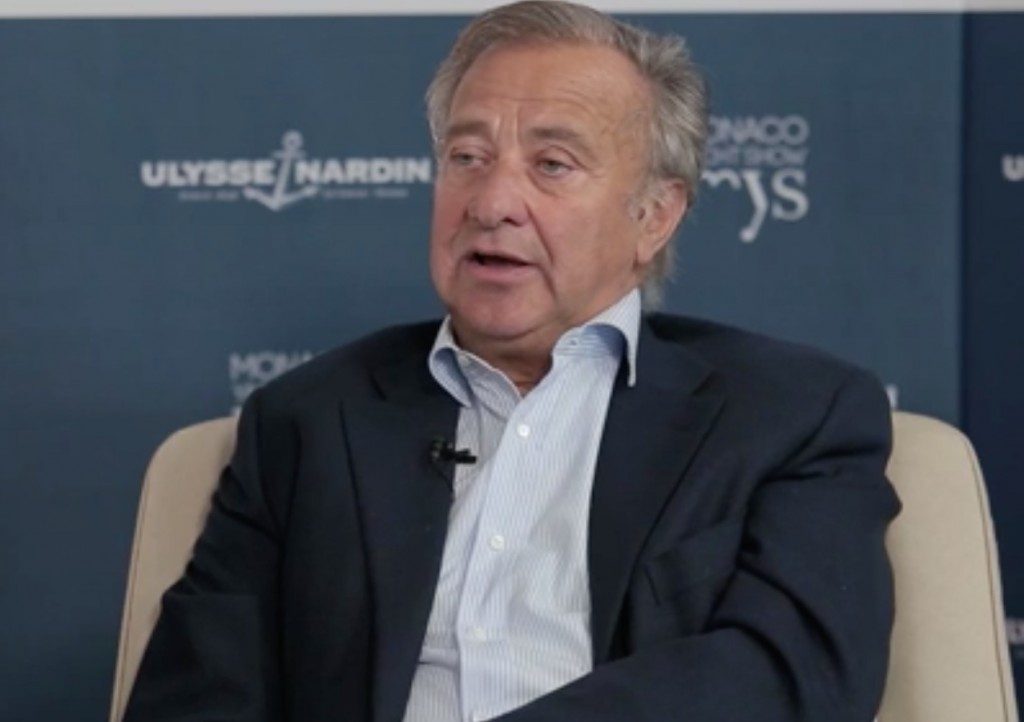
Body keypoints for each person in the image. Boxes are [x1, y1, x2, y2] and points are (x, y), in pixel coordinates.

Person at [124, 2, 900, 721]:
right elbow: (195, 699)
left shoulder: (791, 415)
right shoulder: (308, 420)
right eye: (467, 156)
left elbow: (791, 675)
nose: (491, 202)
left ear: (654, 216)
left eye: (552, 164)